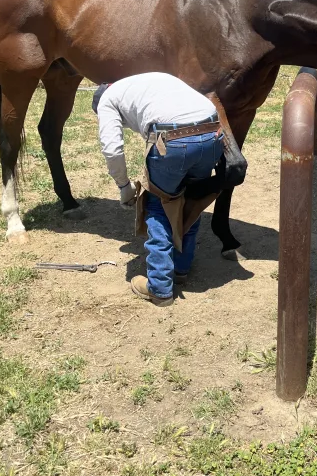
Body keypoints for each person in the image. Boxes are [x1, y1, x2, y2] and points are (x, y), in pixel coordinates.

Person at [93, 73, 224, 307]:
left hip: (174, 139)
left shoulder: (106, 101)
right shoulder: (146, 81)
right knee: (191, 200)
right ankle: (181, 269)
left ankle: (160, 288)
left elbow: (112, 150)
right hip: (212, 132)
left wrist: (124, 187)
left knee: (157, 206)